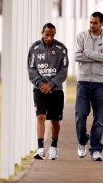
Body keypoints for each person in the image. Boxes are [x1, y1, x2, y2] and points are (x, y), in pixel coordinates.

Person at [75, 12, 103, 161]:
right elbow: (77, 56)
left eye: (95, 23)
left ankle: (96, 150)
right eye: (90, 22)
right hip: (83, 82)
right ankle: (82, 142)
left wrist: (87, 53)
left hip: (100, 83)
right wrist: (98, 54)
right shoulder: (81, 36)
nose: (92, 25)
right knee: (80, 115)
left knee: (99, 118)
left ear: (102, 23)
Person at [27, 23, 69, 160]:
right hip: (39, 90)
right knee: (40, 117)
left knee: (55, 121)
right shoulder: (34, 48)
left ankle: (54, 147)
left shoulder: (61, 49)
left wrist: (51, 84)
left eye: (52, 35)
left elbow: (63, 71)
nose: (50, 38)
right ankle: (40, 149)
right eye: (47, 35)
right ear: (42, 33)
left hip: (56, 91)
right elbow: (31, 69)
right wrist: (40, 84)